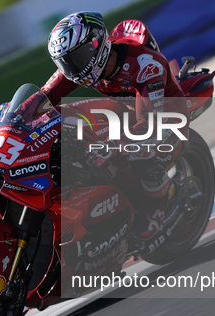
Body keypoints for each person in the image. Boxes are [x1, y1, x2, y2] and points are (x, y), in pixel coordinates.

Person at [43, 11, 189, 240]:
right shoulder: (75, 68)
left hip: (165, 120)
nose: (72, 68)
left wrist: (111, 145)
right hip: (126, 114)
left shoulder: (144, 66)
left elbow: (147, 126)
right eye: (66, 62)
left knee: (139, 152)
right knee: (67, 125)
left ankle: (157, 206)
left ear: (96, 45)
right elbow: (44, 97)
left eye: (77, 58)